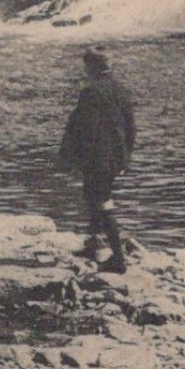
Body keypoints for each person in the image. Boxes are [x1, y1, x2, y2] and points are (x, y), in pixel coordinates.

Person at [58, 46, 137, 274]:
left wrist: (69, 156)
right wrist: (126, 157)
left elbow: (79, 126)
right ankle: (93, 245)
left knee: (101, 201)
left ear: (91, 68)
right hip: (116, 156)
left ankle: (118, 258)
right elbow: (131, 128)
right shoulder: (121, 90)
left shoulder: (91, 92)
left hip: (97, 156)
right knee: (94, 197)